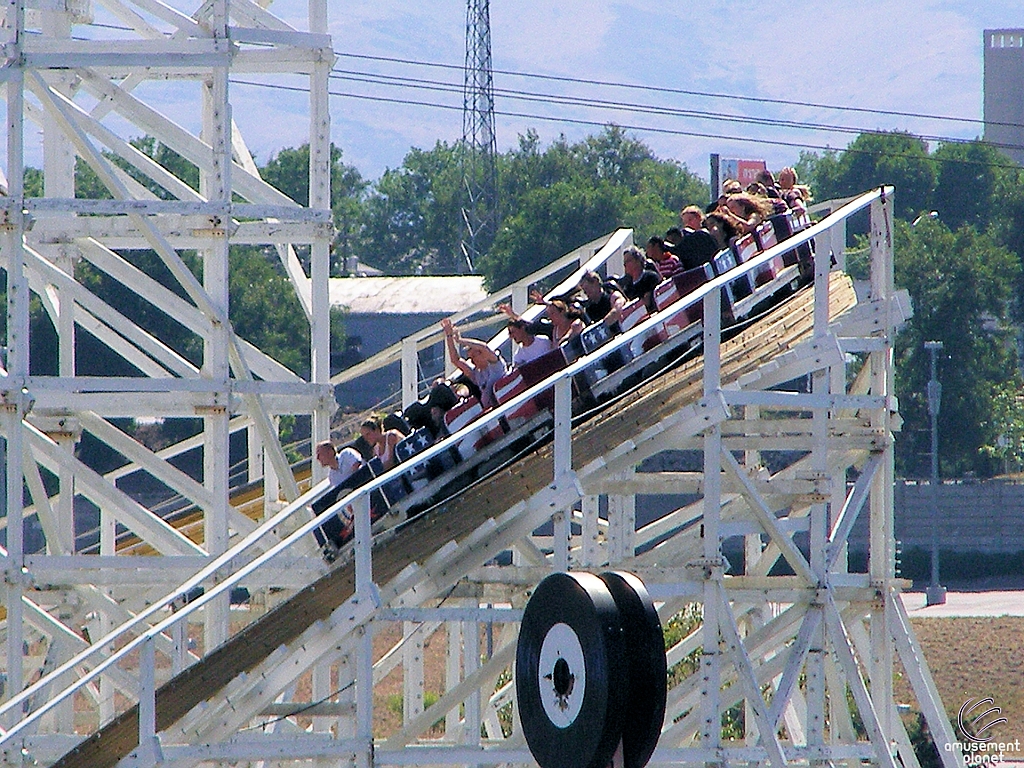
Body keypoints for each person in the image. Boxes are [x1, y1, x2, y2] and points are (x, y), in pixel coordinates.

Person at [441, 317, 508, 409]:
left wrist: (460, 340)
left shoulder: (496, 366)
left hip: (503, 404)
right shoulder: (477, 374)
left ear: (482, 354)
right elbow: (455, 360)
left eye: (473, 356)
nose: (471, 361)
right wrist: (449, 336)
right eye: (470, 357)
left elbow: (484, 347)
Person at [312, 439, 364, 517]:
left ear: (330, 452)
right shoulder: (332, 477)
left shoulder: (347, 454)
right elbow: (342, 494)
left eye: (320, 454)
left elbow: (358, 471)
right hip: (357, 502)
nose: (317, 458)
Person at [616, 246, 661, 312]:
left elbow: (647, 303)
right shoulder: (628, 288)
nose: (625, 264)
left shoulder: (650, 278)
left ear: (638, 260)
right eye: (624, 262)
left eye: (628, 261)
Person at [675, 205, 720, 270]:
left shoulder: (708, 233)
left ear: (699, 217)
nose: (688, 224)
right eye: (685, 222)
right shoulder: (687, 241)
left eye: (690, 220)